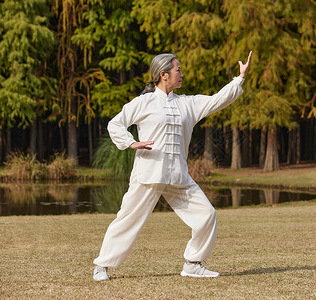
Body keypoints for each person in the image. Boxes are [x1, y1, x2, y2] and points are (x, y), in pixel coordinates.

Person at [93, 51, 252, 281]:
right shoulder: (144, 102)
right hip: (148, 174)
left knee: (207, 215)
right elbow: (115, 124)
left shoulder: (187, 104)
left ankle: (193, 263)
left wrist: (240, 79)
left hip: (178, 177)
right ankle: (102, 266)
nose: (182, 74)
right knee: (127, 220)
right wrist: (131, 142)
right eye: (178, 70)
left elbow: (217, 100)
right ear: (163, 74)